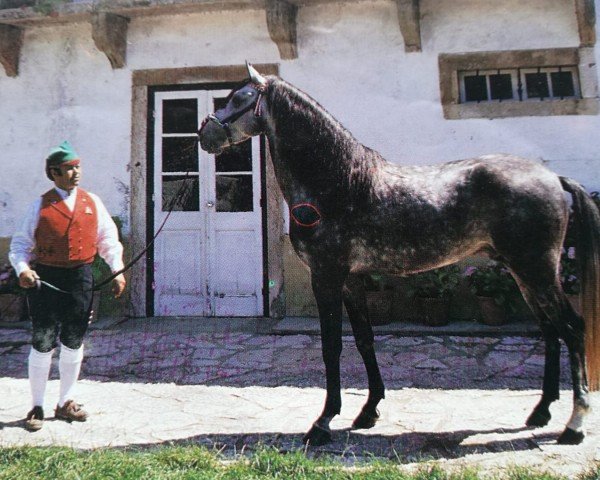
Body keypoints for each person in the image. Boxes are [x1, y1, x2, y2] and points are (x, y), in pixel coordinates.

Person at [9, 141, 126, 431]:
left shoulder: (92, 202)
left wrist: (118, 270)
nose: (75, 173)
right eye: (68, 169)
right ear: (53, 173)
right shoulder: (40, 205)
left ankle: (65, 402)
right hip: (46, 280)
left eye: (77, 167)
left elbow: (108, 241)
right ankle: (36, 406)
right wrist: (23, 270)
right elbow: (21, 244)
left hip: (80, 279)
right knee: (43, 341)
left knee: (74, 340)